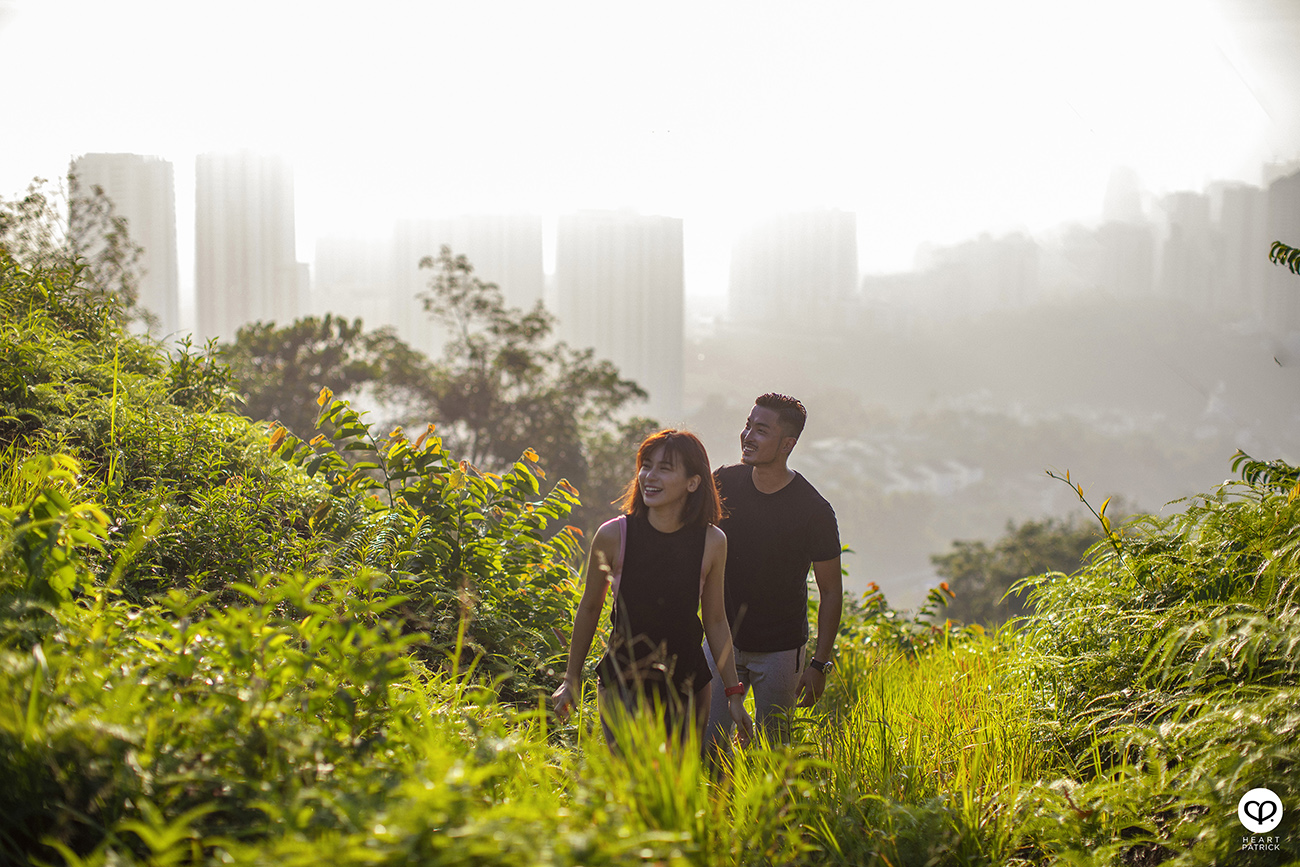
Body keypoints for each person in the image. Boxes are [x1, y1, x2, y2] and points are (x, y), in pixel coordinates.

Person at [553, 429, 754, 747]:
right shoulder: (614, 536)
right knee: (630, 783)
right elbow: (590, 608)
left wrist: (733, 694)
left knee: (674, 788)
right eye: (646, 465)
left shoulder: (712, 541)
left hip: (687, 685)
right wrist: (570, 679)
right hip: (622, 681)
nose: (650, 476)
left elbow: (715, 620)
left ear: (693, 482)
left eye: (665, 467)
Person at [706, 393, 842, 747]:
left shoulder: (814, 510)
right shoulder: (723, 483)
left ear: (787, 444)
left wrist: (819, 664)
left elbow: (830, 591)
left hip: (780, 651)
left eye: (760, 430)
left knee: (773, 753)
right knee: (708, 744)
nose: (747, 435)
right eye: (748, 425)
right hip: (722, 640)